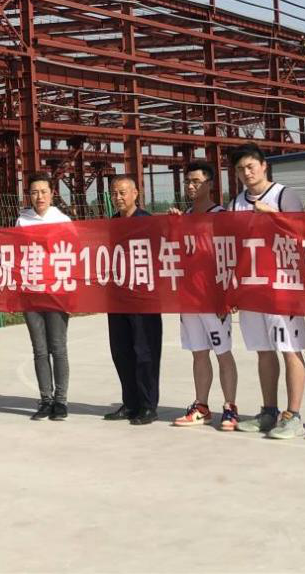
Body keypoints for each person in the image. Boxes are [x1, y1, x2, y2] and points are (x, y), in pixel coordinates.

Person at [226, 144, 305, 440]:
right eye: (240, 169)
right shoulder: (236, 203)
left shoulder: (284, 196)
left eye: (251, 166)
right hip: (252, 287)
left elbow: (303, 232)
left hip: (282, 285)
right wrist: (234, 288)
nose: (246, 173)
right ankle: (269, 411)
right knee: (263, 351)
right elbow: (233, 247)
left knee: (289, 349)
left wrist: (273, 214)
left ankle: (294, 415)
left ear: (263, 166)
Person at [168, 163, 239, 431]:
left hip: (214, 298)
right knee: (198, 353)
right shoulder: (183, 216)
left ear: (209, 184)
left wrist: (230, 295)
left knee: (223, 353)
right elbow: (175, 253)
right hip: (190, 298)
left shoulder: (221, 216)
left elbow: (232, 256)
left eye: (196, 181)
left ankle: (230, 407)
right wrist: (174, 227)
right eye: (188, 181)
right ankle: (201, 406)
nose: (190, 186)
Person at [104, 176, 160, 426]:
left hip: (143, 300)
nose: (118, 198)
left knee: (145, 353)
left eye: (123, 192)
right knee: (121, 352)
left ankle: (148, 405)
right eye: (114, 193)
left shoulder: (147, 222)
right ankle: (130, 403)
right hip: (117, 298)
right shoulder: (112, 223)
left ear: (135, 193)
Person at [17, 173, 72, 421]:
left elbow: (73, 255)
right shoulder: (22, 220)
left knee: (58, 348)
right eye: (34, 192)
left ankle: (61, 400)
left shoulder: (63, 220)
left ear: (52, 193)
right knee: (39, 349)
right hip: (31, 292)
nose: (39, 196)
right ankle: (46, 399)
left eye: (43, 191)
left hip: (56, 292)